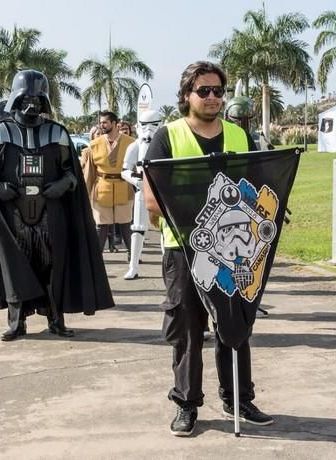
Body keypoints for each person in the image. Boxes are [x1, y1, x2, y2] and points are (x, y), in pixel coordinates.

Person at [144, 61, 272, 437]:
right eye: (204, 91)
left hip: (236, 250)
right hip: (184, 250)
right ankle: (186, 403)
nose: (213, 97)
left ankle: (238, 398)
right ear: (187, 95)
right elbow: (153, 199)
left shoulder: (239, 136)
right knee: (186, 327)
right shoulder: (167, 137)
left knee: (236, 324)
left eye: (218, 91)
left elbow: (258, 188)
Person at [0, 69, 113, 341]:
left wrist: (63, 185)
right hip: (13, 212)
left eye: (38, 100)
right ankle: (17, 322)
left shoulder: (57, 133)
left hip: (51, 212)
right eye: (27, 98)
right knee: (16, 266)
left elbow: (70, 172)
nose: (32, 105)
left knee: (54, 267)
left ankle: (55, 318)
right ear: (16, 98)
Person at [82, 111, 136, 251]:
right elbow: (89, 172)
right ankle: (97, 259)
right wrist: (85, 194)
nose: (102, 125)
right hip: (102, 188)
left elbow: (137, 168)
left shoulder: (130, 143)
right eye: (100, 122)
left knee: (125, 224)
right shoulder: (94, 145)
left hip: (124, 187)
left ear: (114, 123)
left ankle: (133, 257)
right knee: (101, 225)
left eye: (105, 122)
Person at [121, 109, 162, 280]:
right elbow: (124, 171)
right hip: (141, 189)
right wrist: (135, 181)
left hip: (161, 190)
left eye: (154, 125)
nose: (149, 129)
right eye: (145, 125)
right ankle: (133, 266)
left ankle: (166, 264)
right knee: (138, 229)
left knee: (165, 229)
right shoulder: (135, 145)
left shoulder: (165, 143)